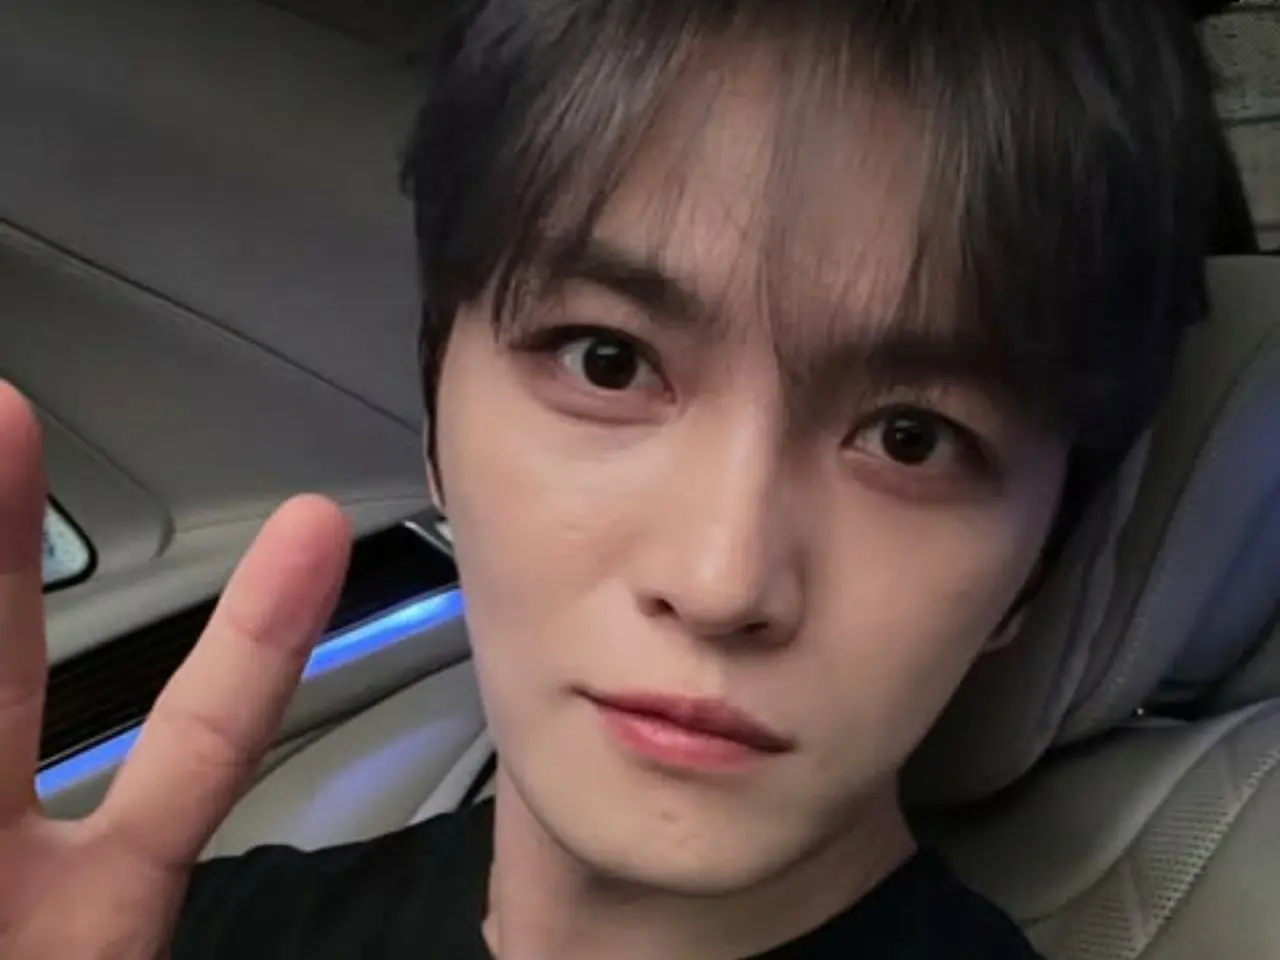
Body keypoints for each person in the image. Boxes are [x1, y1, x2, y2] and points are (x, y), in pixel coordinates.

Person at [0, 0, 1232, 956]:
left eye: (910, 438)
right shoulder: (161, 932)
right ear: (435, 418)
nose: (720, 579)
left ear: (1037, 563)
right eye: (607, 360)